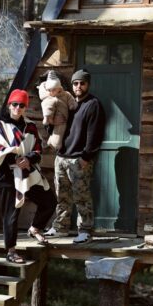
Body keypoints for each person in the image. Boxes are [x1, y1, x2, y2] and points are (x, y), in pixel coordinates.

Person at [0, 89, 57, 262]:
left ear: (25, 107)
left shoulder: (31, 126)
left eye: (22, 105)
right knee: (11, 213)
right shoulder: (0, 127)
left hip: (27, 173)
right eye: (15, 104)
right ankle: (11, 251)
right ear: (9, 105)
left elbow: (38, 149)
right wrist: (13, 157)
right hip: (7, 174)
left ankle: (35, 228)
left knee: (49, 201)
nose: (18, 108)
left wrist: (29, 158)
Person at [44, 69, 105, 243]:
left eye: (82, 83)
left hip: (79, 159)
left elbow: (96, 135)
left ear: (88, 84)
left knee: (81, 196)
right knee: (62, 195)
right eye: (75, 83)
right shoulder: (65, 102)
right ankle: (61, 227)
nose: (78, 86)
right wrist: (51, 123)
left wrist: (86, 157)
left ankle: (85, 231)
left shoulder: (93, 105)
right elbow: (54, 128)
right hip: (61, 157)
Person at [38, 71, 76, 150]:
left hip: (63, 118)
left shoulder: (65, 94)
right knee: (47, 103)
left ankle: (54, 143)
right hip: (51, 118)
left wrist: (72, 105)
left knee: (59, 131)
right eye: (49, 90)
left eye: (54, 90)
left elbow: (70, 99)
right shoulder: (48, 97)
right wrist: (50, 120)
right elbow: (44, 103)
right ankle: (47, 117)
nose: (51, 92)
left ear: (59, 88)